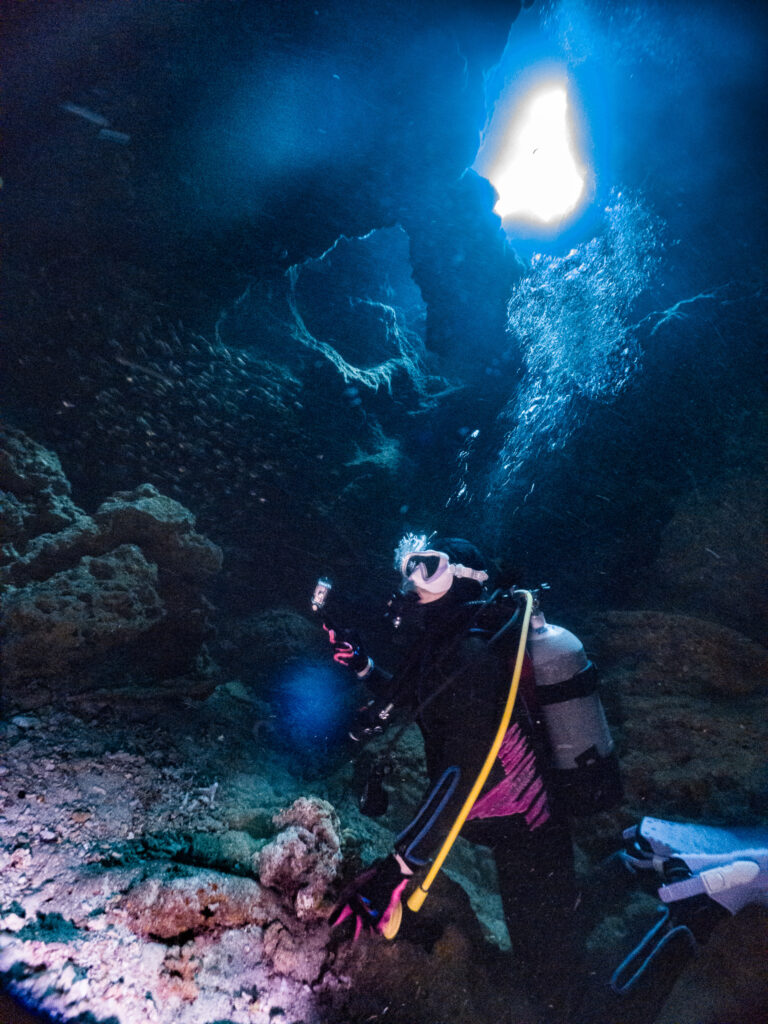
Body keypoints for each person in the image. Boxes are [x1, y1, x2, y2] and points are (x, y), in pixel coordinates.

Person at [324, 533, 585, 1018]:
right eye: (407, 567)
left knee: (557, 987)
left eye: (428, 566)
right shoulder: (444, 649)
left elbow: (464, 773)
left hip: (531, 832)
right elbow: (417, 703)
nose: (411, 581)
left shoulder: (471, 654)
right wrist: (363, 666)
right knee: (541, 963)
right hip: (506, 829)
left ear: (466, 579)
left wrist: (398, 869)